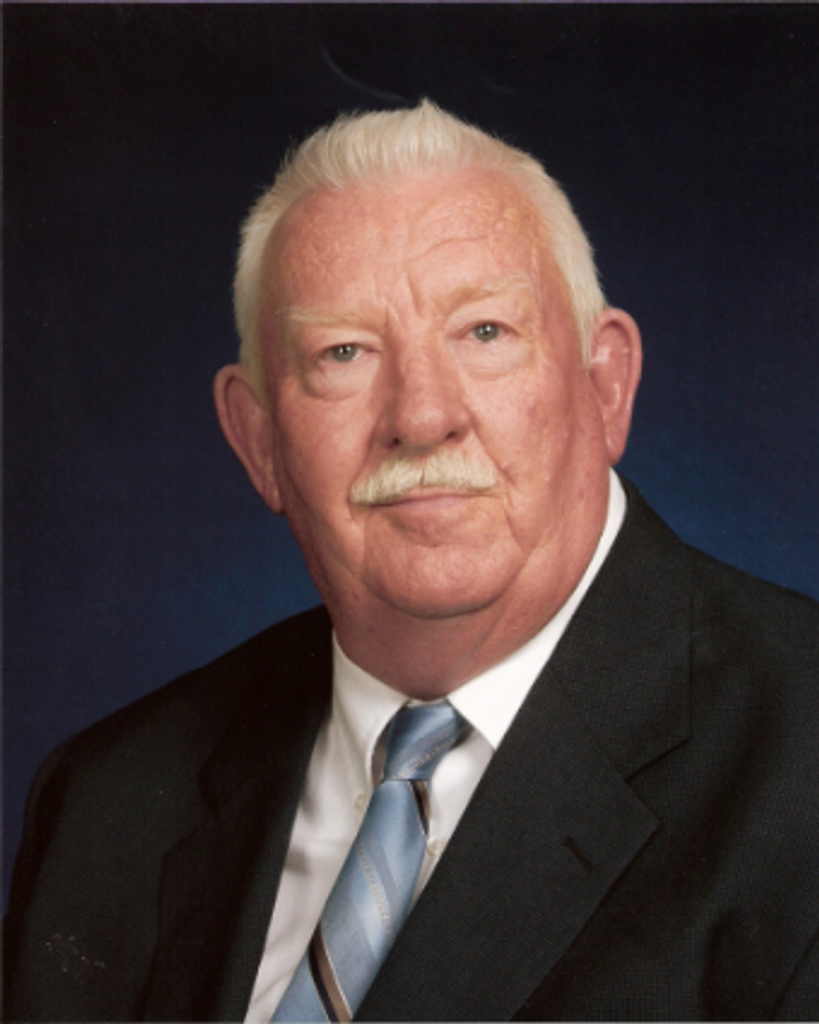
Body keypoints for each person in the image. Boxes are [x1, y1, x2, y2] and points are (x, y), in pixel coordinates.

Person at [5, 101, 818, 1022]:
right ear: (260, 441)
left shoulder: (797, 764)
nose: (422, 416)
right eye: (342, 352)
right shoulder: (106, 801)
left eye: (484, 333)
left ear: (604, 386)